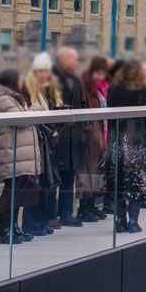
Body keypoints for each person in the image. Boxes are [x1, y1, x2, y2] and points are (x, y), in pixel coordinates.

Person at [0, 70, 40, 244]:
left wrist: (27, 110)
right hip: (11, 151)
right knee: (11, 191)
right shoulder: (1, 100)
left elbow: (25, 116)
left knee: (19, 191)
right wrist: (34, 109)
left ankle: (14, 225)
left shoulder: (13, 98)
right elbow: (22, 120)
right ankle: (3, 229)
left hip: (20, 152)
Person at [106, 61, 146, 233]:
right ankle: (134, 221)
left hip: (117, 139)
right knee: (136, 179)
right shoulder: (143, 91)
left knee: (118, 179)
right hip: (136, 139)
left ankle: (120, 220)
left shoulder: (112, 89)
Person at [22, 53, 62, 235]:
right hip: (33, 143)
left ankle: (41, 221)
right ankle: (31, 224)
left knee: (45, 183)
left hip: (46, 144)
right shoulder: (28, 89)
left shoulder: (48, 91)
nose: (44, 74)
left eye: (47, 71)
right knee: (34, 184)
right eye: (41, 71)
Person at [51, 47, 85, 227]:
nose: (76, 63)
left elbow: (82, 103)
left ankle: (66, 213)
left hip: (75, 136)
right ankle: (52, 215)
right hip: (59, 136)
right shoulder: (52, 78)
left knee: (69, 176)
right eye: (73, 59)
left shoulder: (76, 79)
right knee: (54, 176)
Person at [76, 56, 110, 222]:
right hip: (90, 137)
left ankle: (92, 205)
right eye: (98, 73)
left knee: (96, 173)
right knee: (87, 173)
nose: (101, 76)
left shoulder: (101, 89)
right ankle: (84, 207)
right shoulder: (86, 87)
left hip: (101, 136)